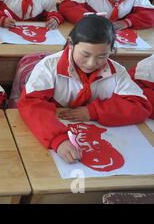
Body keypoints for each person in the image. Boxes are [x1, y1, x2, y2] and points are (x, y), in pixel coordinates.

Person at [17, 15, 152, 164]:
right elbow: (30, 104)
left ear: (111, 50)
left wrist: (94, 112)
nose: (91, 63)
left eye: (102, 56)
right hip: (52, 130)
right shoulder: (48, 67)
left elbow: (141, 105)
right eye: (85, 54)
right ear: (71, 43)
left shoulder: (117, 72)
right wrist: (57, 138)